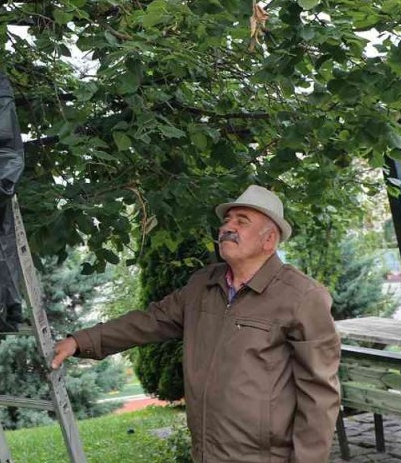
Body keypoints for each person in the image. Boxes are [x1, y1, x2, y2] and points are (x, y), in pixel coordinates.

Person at [51, 185, 341, 462]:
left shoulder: (303, 297)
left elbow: (319, 395)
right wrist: (81, 341)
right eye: (227, 221)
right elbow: (150, 321)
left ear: (269, 240)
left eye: (242, 221)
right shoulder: (203, 285)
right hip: (205, 451)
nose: (228, 227)